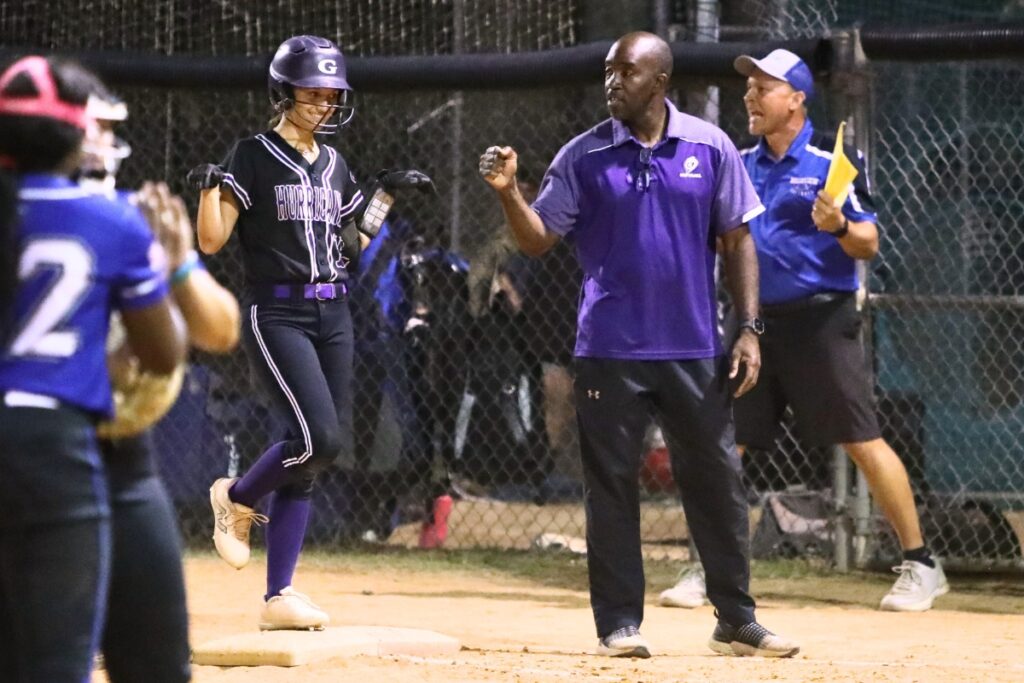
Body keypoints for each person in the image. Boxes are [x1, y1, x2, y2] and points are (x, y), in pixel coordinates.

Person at [479, 32, 798, 659]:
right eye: (607, 71)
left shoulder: (710, 148)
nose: (612, 82)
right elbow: (539, 240)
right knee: (612, 488)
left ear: (660, 82)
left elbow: (738, 243)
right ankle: (619, 624)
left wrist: (750, 329)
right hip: (610, 350)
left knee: (717, 483)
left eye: (626, 71)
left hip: (694, 348)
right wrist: (509, 193)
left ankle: (736, 619)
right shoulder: (583, 155)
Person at [660, 49, 949, 614]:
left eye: (763, 88)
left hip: (820, 320)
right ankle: (710, 568)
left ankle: (921, 565)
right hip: (752, 324)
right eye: (749, 88)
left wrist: (838, 223)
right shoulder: (737, 162)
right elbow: (722, 237)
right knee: (724, 447)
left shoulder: (828, 162)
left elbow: (869, 242)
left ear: (795, 99)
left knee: (863, 441)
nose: (750, 97)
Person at [189, 34, 431, 631]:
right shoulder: (252, 154)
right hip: (278, 314)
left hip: (335, 314)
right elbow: (212, 240)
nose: (324, 102)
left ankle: (280, 597)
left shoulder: (335, 163)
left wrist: (385, 197)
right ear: (283, 91)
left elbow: (352, 244)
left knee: (314, 457)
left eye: (331, 94)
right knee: (317, 436)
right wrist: (206, 188)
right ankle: (238, 497)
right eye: (312, 92)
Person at [0, 56, 186, 682]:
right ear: (78, 136)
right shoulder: (111, 220)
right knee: (56, 661)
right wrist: (164, 266)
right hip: (55, 451)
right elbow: (164, 355)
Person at [82, 87, 241, 683]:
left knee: (156, 655)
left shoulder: (131, 218)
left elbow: (220, 328)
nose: (100, 142)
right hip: (36, 447)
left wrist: (175, 263)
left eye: (103, 129)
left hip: (125, 457)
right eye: (88, 128)